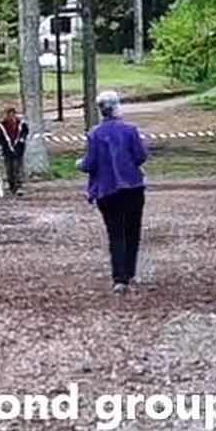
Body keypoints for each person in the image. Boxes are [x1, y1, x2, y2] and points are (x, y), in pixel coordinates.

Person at [76, 90, 148, 295]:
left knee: (115, 233)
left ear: (101, 110)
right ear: (117, 107)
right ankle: (130, 271)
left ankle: (119, 278)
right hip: (132, 187)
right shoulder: (130, 130)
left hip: (107, 191)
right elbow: (141, 156)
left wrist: (79, 164)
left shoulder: (94, 134)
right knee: (132, 231)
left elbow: (90, 163)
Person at [0, 107, 29, 196]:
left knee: (18, 167)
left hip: (18, 149)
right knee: (9, 168)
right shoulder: (1, 126)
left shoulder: (21, 124)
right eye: (9, 115)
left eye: (13, 114)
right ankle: (12, 186)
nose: (11, 117)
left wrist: (22, 138)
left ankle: (19, 186)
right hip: (7, 150)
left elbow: (25, 131)